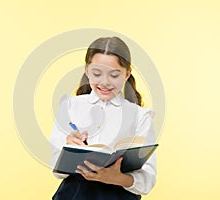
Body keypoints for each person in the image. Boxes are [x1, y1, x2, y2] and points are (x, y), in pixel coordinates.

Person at [50, 37, 157, 200]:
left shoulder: (141, 116)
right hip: (74, 195)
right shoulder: (70, 106)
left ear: (127, 74)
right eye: (97, 73)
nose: (104, 82)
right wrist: (69, 148)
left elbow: (147, 180)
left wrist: (115, 178)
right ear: (87, 71)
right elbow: (56, 170)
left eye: (114, 75)